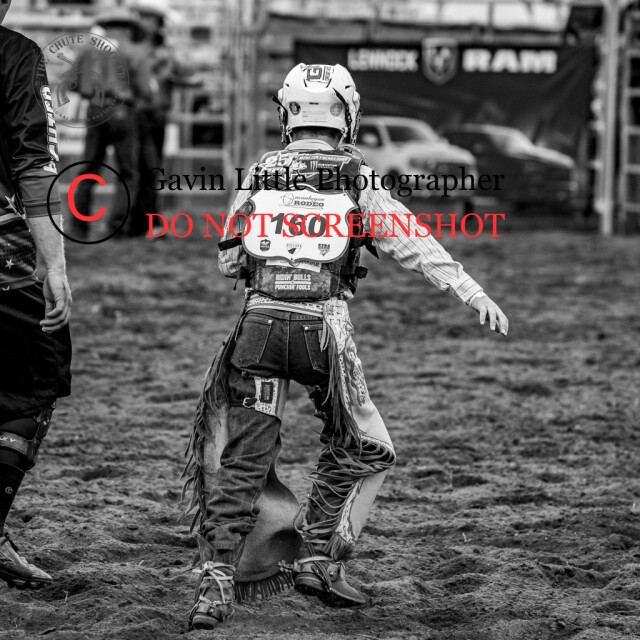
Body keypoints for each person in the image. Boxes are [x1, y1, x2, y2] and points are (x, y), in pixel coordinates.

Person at [185, 63, 508, 630]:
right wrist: (470, 290)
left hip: (258, 330)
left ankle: (215, 581)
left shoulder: (260, 173)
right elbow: (411, 241)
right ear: (346, 114)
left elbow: (229, 261)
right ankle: (319, 558)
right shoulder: (358, 177)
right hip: (324, 336)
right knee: (367, 446)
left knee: (244, 458)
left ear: (288, 113)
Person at [0, 0, 72, 589]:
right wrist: (55, 263)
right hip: (5, 259)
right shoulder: (15, 54)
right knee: (37, 376)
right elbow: (34, 163)